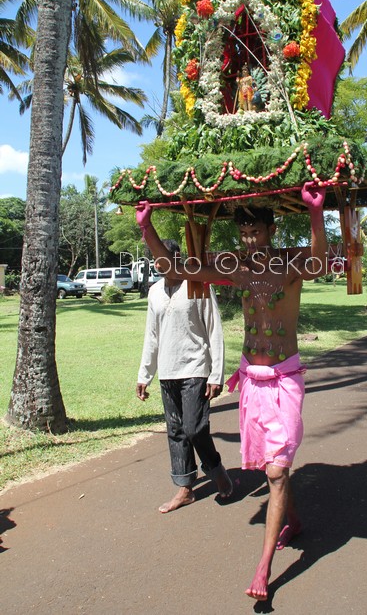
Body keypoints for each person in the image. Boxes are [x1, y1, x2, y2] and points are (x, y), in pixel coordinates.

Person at [135, 185, 327, 600]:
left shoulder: (291, 261)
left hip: (285, 379)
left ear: (271, 229)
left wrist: (316, 215)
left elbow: (319, 262)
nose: (249, 240)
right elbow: (178, 268)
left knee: (275, 470)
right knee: (274, 467)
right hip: (251, 380)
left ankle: (263, 571)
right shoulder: (236, 265)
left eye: (255, 232)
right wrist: (148, 228)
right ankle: (291, 520)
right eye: (242, 234)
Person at [136, 239, 233, 513]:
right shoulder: (154, 292)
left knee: (194, 427)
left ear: (178, 257)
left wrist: (216, 374)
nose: (161, 263)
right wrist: (145, 374)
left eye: (166, 257)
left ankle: (215, 469)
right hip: (168, 372)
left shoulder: (198, 284)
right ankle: (185, 488)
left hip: (195, 368)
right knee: (176, 431)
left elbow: (214, 329)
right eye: (156, 259)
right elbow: (151, 336)